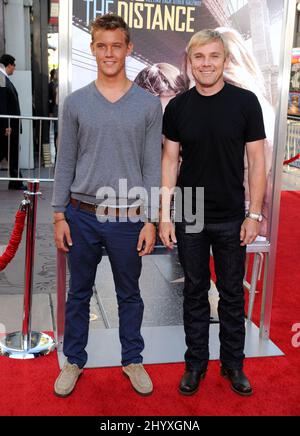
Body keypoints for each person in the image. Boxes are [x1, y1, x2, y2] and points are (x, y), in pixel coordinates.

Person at [52, 13, 162, 398]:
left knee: (129, 294)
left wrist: (151, 220)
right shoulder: (77, 102)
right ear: (93, 48)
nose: (110, 53)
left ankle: (132, 360)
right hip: (81, 216)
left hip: (129, 219)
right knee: (78, 293)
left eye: (117, 45)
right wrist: (57, 213)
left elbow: (152, 166)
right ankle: (73, 360)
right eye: (102, 46)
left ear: (129, 48)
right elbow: (65, 159)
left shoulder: (149, 106)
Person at [160, 29, 266, 396]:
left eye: (213, 56)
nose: (206, 63)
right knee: (194, 292)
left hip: (232, 215)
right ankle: (195, 365)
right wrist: (164, 214)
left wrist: (254, 215)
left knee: (232, 293)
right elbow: (170, 160)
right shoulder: (177, 107)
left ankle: (233, 366)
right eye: (199, 57)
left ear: (224, 60)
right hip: (189, 212)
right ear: (190, 61)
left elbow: (257, 159)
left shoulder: (246, 103)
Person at [0, 54, 26, 190]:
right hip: (8, 126)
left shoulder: (3, 78)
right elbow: (2, 103)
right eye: (14, 65)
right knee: (12, 152)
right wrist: (7, 125)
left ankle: (16, 181)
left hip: (10, 125)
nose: (14, 69)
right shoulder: (1, 78)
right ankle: (16, 181)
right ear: (9, 65)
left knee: (10, 152)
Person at [48, 68, 58, 161]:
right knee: (56, 133)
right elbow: (52, 99)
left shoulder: (58, 85)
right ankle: (56, 154)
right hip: (55, 112)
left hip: (57, 112)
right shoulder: (52, 85)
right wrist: (50, 112)